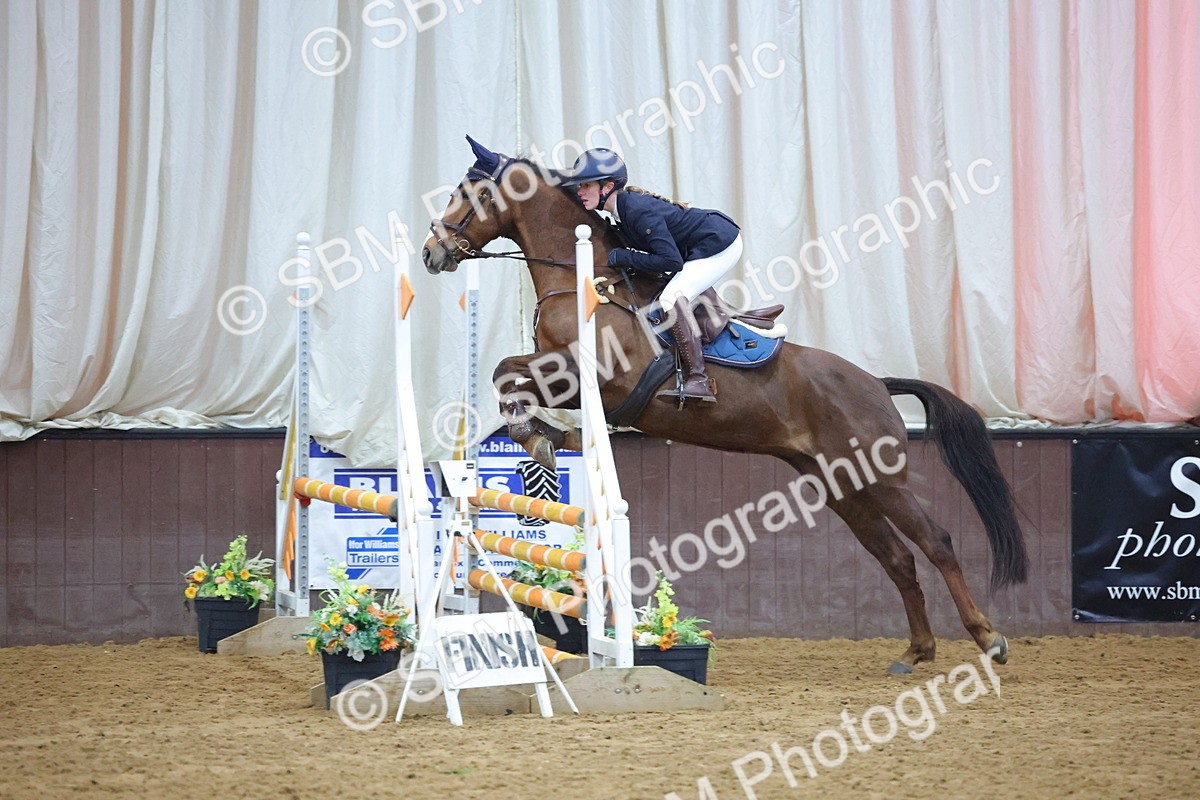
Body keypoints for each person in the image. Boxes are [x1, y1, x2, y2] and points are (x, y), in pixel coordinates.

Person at [559, 148, 743, 403]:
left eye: (585, 185)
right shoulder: (621, 211)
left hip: (719, 241)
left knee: (671, 299)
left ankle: (699, 380)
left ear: (607, 186)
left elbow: (670, 261)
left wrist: (624, 257)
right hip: (700, 244)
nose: (580, 191)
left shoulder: (635, 209)